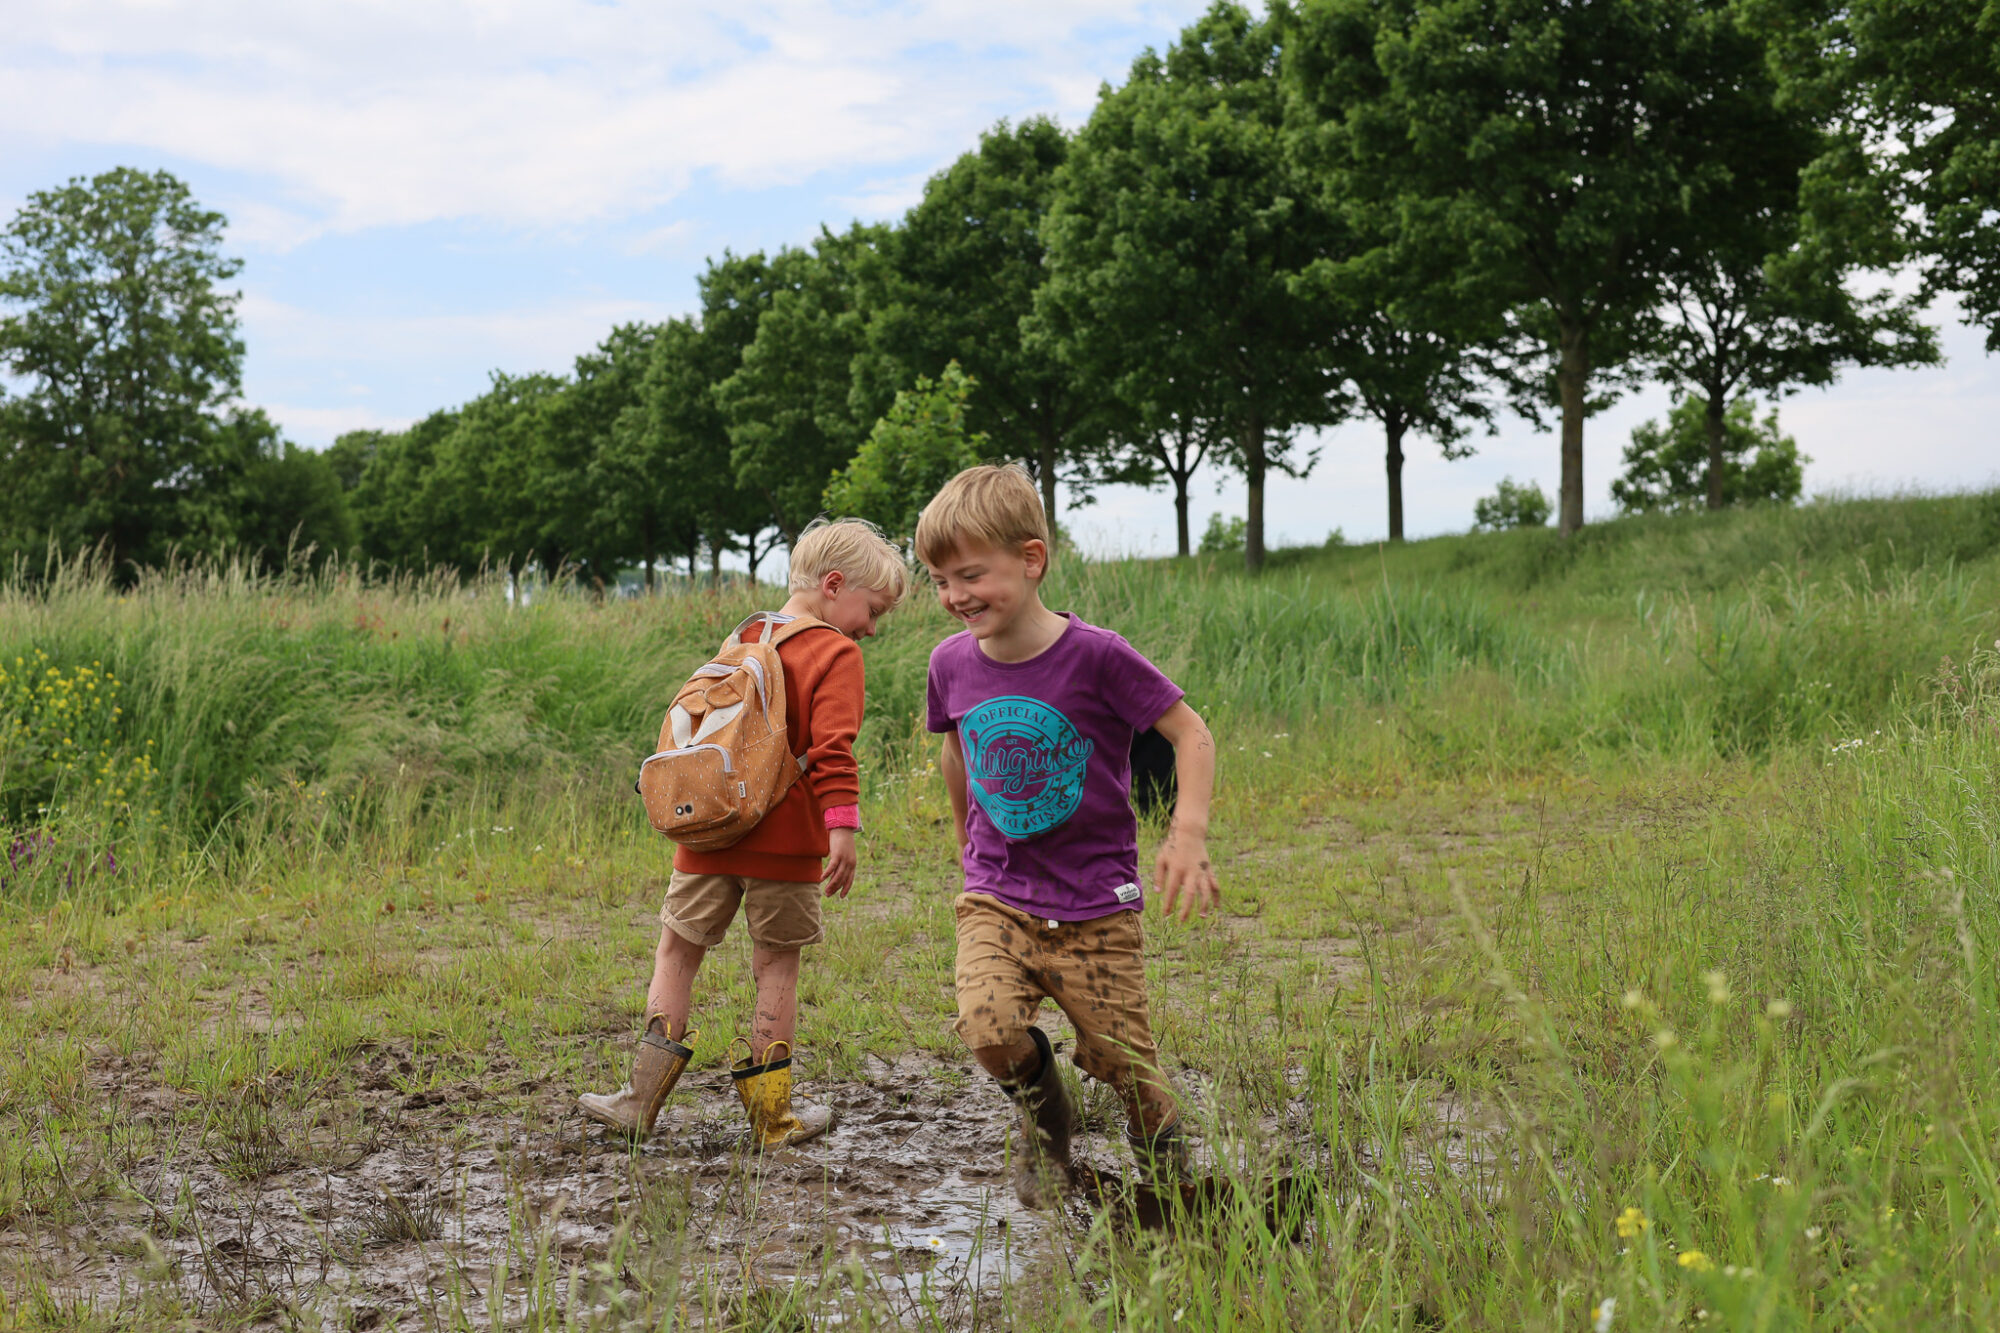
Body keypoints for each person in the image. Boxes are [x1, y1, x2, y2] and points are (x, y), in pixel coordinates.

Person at [915, 465, 1220, 1206]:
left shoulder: (1098, 654)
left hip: (1096, 901)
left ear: (1031, 558)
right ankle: (1048, 1117)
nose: (955, 595)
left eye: (970, 574)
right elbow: (956, 748)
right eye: (939, 580)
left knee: (1130, 1068)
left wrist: (1186, 831)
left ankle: (1169, 1173)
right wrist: (967, 845)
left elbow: (1191, 733)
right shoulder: (949, 663)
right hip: (998, 894)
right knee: (986, 1026)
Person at [579, 519, 908, 1149]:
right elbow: (834, 751)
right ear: (834, 586)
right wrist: (842, 828)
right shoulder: (837, 654)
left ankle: (638, 1103)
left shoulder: (744, 636)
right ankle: (772, 1120)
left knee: (676, 953)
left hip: (705, 832)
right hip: (784, 843)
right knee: (776, 966)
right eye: (873, 609)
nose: (871, 626)